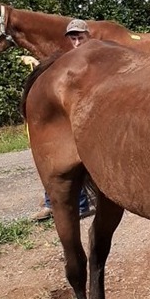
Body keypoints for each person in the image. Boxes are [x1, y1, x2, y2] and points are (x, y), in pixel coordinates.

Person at [30, 19, 94, 221]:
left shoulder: (98, 56)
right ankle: (54, 201)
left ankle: (77, 203)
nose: (76, 42)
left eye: (80, 37)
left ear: (88, 36)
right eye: (73, 38)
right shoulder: (68, 61)